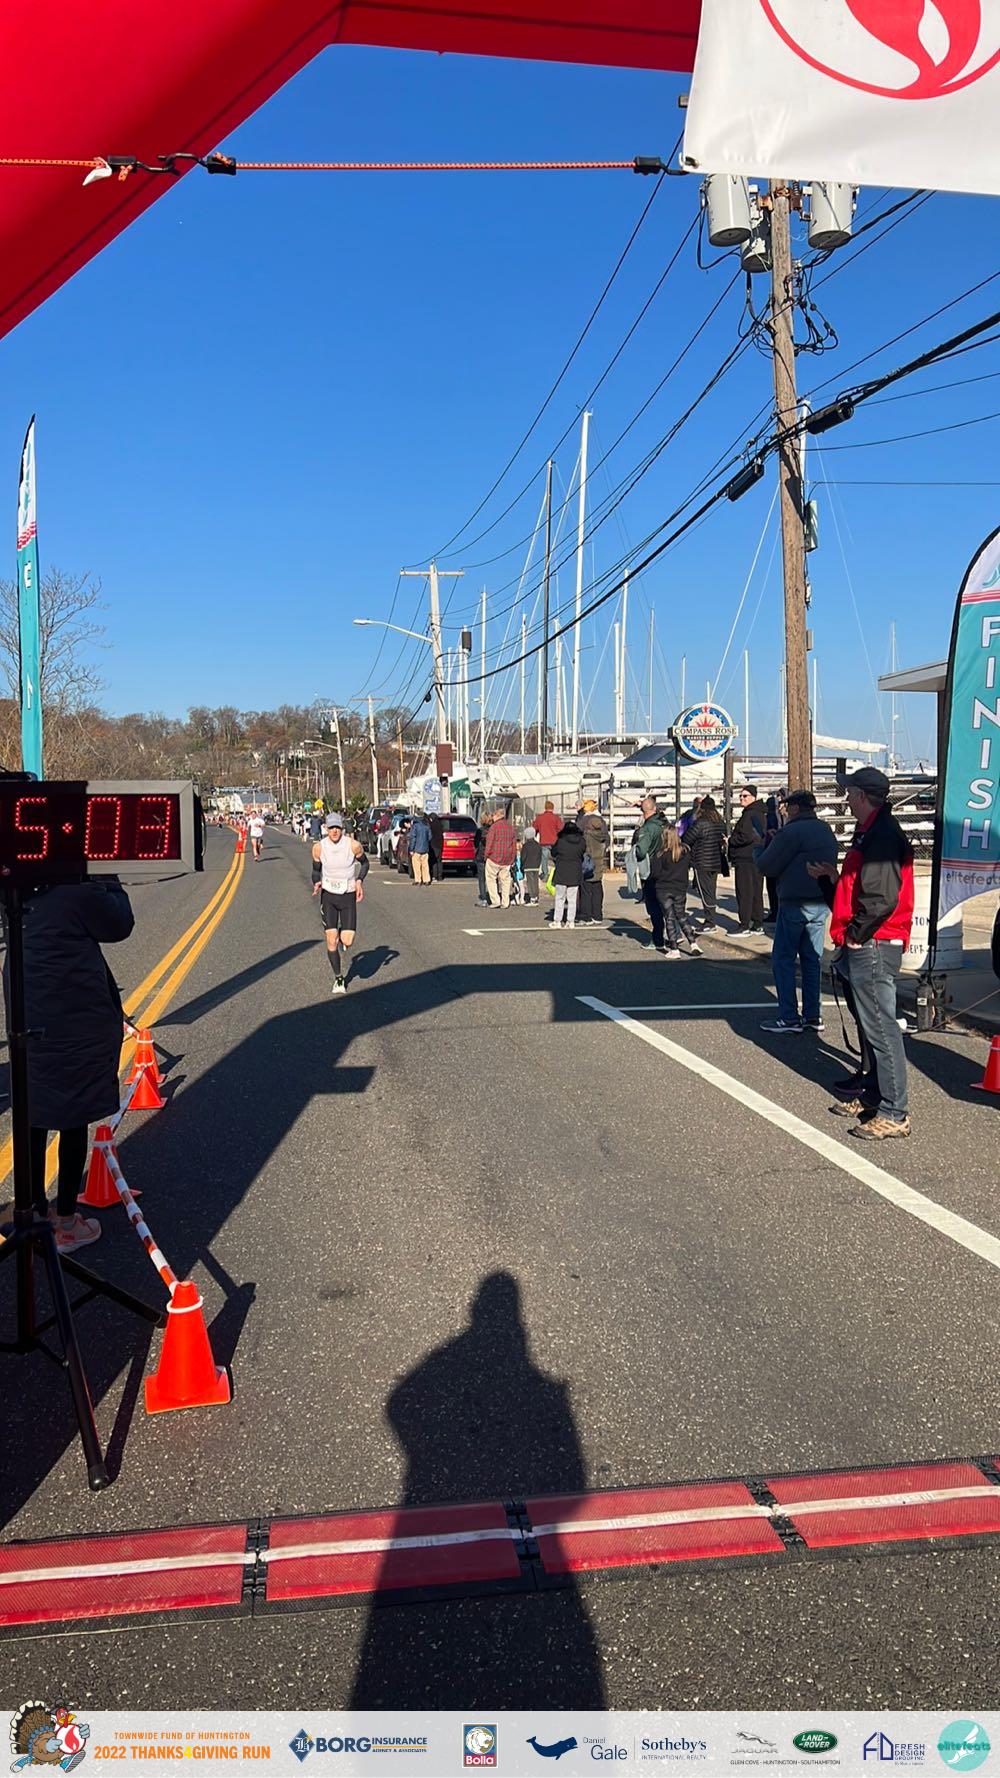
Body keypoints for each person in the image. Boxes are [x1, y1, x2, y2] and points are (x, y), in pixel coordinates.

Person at [16, 876, 135, 1253]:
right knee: (73, 1116)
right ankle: (66, 1221)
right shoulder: (79, 889)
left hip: (26, 1011)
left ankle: (33, 1212)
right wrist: (110, 879)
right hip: (73, 1017)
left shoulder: (16, 888)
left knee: (33, 1114)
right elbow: (119, 923)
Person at [808, 767, 915, 1140]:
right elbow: (863, 890)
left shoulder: (882, 835)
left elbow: (881, 897)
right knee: (871, 1026)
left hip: (875, 942)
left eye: (850, 793)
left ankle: (895, 1111)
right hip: (868, 938)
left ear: (863, 795)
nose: (847, 800)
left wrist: (855, 935)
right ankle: (874, 1095)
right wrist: (832, 881)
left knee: (881, 1028)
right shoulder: (871, 831)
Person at [754, 789, 838, 1034]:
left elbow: (766, 866)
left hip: (794, 902)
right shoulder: (825, 829)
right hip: (820, 902)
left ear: (795, 808)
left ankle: (789, 1016)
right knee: (812, 960)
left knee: (784, 960)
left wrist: (759, 847)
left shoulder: (791, 832)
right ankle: (813, 1015)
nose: (785, 810)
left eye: (787, 806)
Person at [311, 811, 368, 994]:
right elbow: (315, 870)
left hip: (347, 895)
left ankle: (343, 930)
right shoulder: (319, 848)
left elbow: (365, 864)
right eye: (331, 828)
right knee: (331, 939)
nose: (334, 831)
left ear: (342, 828)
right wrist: (316, 882)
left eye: (337, 827)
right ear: (326, 828)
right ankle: (339, 978)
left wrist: (359, 881)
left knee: (347, 940)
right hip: (328, 896)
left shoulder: (353, 845)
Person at [648, 825, 703, 959]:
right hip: (680, 888)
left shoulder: (660, 854)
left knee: (669, 918)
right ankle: (693, 944)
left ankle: (674, 949)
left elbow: (655, 873)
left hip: (664, 889)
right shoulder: (685, 851)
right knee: (681, 916)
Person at [684, 795, 728, 932]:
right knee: (711, 890)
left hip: (702, 861)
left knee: (704, 892)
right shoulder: (720, 822)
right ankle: (711, 919)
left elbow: (687, 838)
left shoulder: (700, 823)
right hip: (716, 861)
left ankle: (710, 922)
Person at [728, 785, 766, 934]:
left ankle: (744, 924)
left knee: (745, 892)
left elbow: (746, 836)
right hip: (756, 856)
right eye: (740, 796)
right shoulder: (758, 813)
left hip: (746, 857)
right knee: (755, 891)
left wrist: (731, 840)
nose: (742, 798)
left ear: (753, 797)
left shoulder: (750, 814)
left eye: (745, 796)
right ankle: (757, 923)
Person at [633, 796, 666, 950]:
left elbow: (641, 850)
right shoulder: (664, 823)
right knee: (668, 905)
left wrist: (635, 849)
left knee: (654, 906)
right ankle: (674, 935)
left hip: (651, 869)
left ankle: (658, 939)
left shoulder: (647, 828)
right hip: (667, 867)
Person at [577, 800, 608, 925]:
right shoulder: (602, 836)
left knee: (585, 890)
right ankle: (598, 915)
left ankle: (586, 915)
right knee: (597, 889)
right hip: (599, 864)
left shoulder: (587, 836)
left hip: (588, 865)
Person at [550, 819, 585, 928]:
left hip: (562, 871)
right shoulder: (581, 841)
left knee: (560, 898)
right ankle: (571, 921)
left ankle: (557, 921)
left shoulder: (560, 841)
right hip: (575, 872)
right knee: (572, 899)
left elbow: (553, 852)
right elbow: (583, 853)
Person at [484, 807, 518, 908]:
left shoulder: (494, 827)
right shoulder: (510, 827)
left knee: (491, 879)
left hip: (494, 857)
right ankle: (505, 902)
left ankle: (495, 900)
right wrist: (513, 858)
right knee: (505, 881)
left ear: (497, 815)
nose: (492, 817)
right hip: (507, 858)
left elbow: (489, 843)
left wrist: (486, 855)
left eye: (493, 815)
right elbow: (514, 845)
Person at [762, 789, 787, 922]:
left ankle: (775, 911)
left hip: (772, 853)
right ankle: (778, 911)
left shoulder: (772, 817)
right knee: (777, 886)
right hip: (779, 854)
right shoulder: (782, 816)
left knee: (772, 886)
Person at [533, 801, 564, 881]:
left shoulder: (540, 817)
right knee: (556, 859)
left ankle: (545, 875)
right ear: (552, 808)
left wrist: (536, 834)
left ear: (545, 807)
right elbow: (561, 829)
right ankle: (558, 874)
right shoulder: (556, 818)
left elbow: (534, 828)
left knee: (544, 859)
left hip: (544, 841)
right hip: (554, 842)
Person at [520, 826, 541, 905]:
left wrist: (522, 865)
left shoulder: (525, 846)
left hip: (528, 866)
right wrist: (538, 864)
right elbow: (540, 855)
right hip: (536, 866)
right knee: (535, 882)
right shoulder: (538, 845)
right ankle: (536, 896)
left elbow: (523, 857)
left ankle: (532, 898)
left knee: (530, 882)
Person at [408, 811, 431, 885]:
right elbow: (430, 837)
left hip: (416, 849)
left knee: (416, 865)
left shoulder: (415, 826)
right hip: (425, 848)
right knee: (425, 865)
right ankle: (426, 880)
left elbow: (413, 838)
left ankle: (418, 880)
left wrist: (411, 849)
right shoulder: (427, 825)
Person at [474, 814, 491, 907]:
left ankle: (484, 898)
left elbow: (475, 843)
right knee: (493, 878)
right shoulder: (493, 830)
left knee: (482, 879)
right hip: (491, 857)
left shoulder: (479, 831)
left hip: (481, 856)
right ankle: (494, 897)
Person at [428, 810, 445, 883]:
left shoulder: (431, 825)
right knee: (439, 861)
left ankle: (435, 876)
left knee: (434, 861)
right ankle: (440, 876)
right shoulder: (440, 825)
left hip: (434, 845)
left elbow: (430, 836)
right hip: (440, 845)